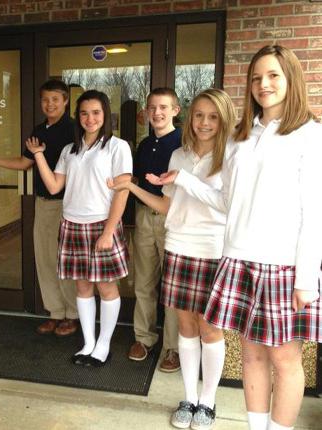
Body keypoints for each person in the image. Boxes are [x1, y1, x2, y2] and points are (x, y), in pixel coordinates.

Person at [153, 45, 322, 430]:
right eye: (257, 77)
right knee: (251, 358)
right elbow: (225, 200)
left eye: (273, 75)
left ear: (291, 79)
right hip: (239, 260)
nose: (264, 84)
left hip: (285, 266)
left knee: (286, 361)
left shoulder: (311, 135)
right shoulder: (240, 137)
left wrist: (306, 277)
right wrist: (184, 181)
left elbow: (316, 212)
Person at [109, 89, 235, 429]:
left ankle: (207, 403)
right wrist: (132, 187)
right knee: (187, 327)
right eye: (199, 115)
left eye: (212, 116)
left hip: (212, 250)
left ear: (223, 119)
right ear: (189, 118)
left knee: (210, 330)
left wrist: (185, 180)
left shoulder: (233, 155)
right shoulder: (179, 154)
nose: (205, 123)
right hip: (179, 245)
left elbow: (227, 204)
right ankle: (189, 399)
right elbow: (168, 206)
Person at [26, 90, 132, 366]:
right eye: (84, 113)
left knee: (106, 288)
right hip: (72, 224)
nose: (90, 118)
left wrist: (109, 231)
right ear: (78, 116)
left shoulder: (117, 147)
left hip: (102, 224)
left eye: (96, 112)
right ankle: (88, 343)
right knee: (82, 287)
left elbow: (122, 193)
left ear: (105, 115)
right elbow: (53, 186)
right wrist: (38, 155)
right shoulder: (69, 150)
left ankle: (104, 345)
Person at [0, 80, 79, 336]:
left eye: (55, 99)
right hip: (44, 203)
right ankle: (55, 312)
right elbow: (24, 163)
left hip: (69, 205)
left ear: (66, 101)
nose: (50, 104)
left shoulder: (75, 130)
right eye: (45, 99)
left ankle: (73, 314)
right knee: (45, 259)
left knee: (65, 261)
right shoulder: (38, 130)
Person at [128, 87, 182, 373]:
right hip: (143, 217)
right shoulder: (144, 144)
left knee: (171, 288)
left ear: (176, 110)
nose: (157, 113)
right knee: (144, 282)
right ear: (146, 113)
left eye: (163, 107)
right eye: (152, 108)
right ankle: (144, 338)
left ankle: (172, 347)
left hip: (172, 220)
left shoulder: (184, 143)